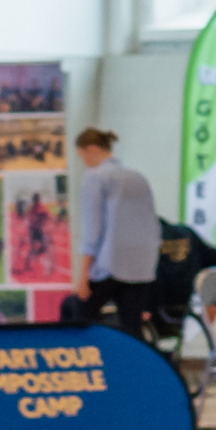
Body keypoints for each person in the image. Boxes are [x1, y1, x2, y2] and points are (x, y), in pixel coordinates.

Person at [70, 128, 159, 330]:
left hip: (110, 262)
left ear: (91, 149)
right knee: (131, 327)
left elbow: (92, 229)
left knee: (79, 315)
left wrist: (83, 274)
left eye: (82, 156)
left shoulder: (95, 177)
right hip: (141, 265)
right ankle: (133, 361)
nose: (84, 162)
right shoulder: (138, 177)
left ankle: (87, 359)